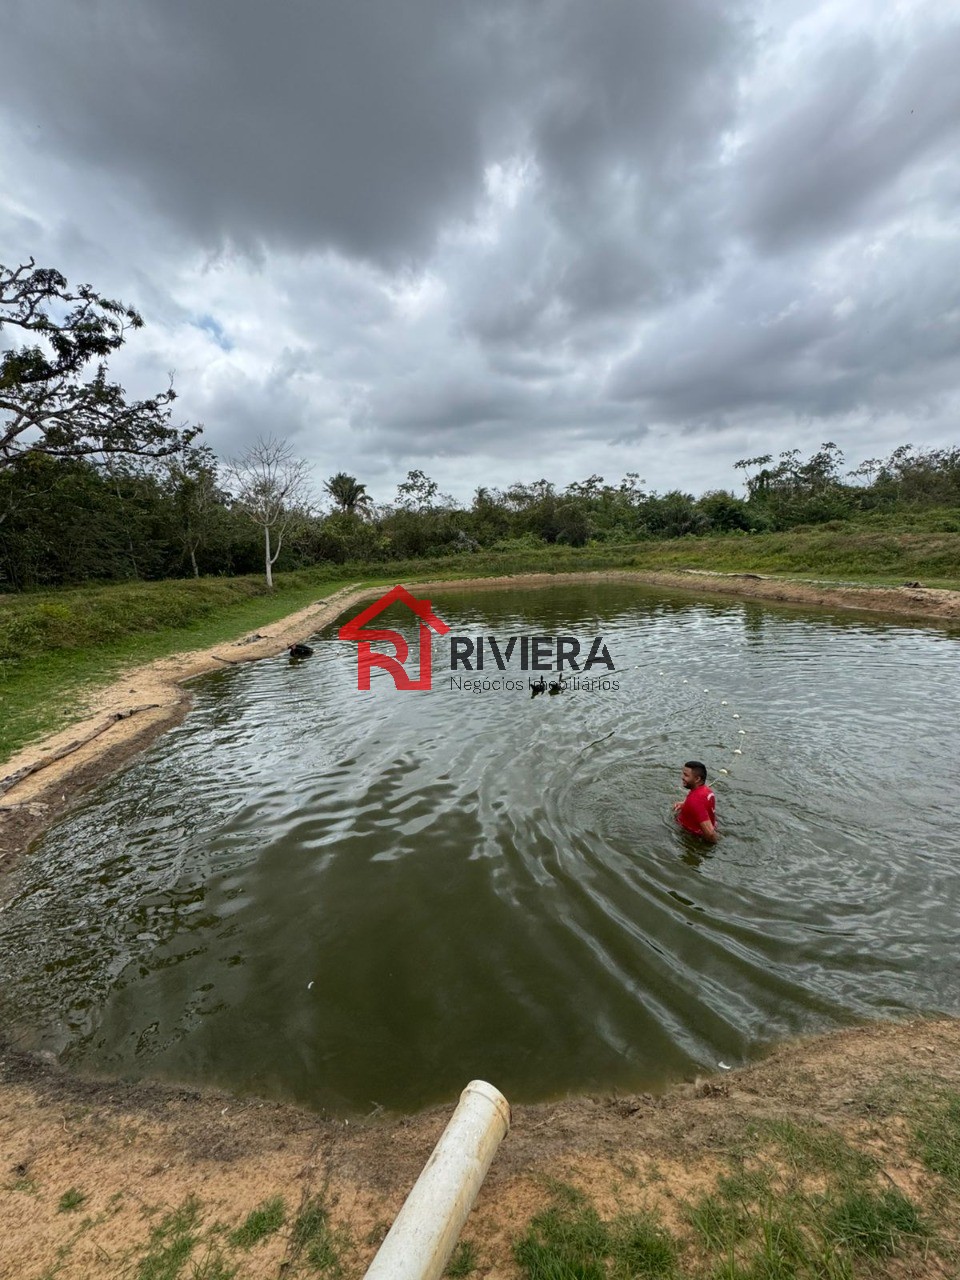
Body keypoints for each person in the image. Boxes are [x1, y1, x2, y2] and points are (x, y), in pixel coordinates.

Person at [673, 760, 718, 842]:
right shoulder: (706, 790)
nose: (682, 777)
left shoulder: (695, 800)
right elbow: (703, 807)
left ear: (697, 779)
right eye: (683, 774)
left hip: (692, 836)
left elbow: (710, 834)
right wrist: (685, 804)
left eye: (686, 775)